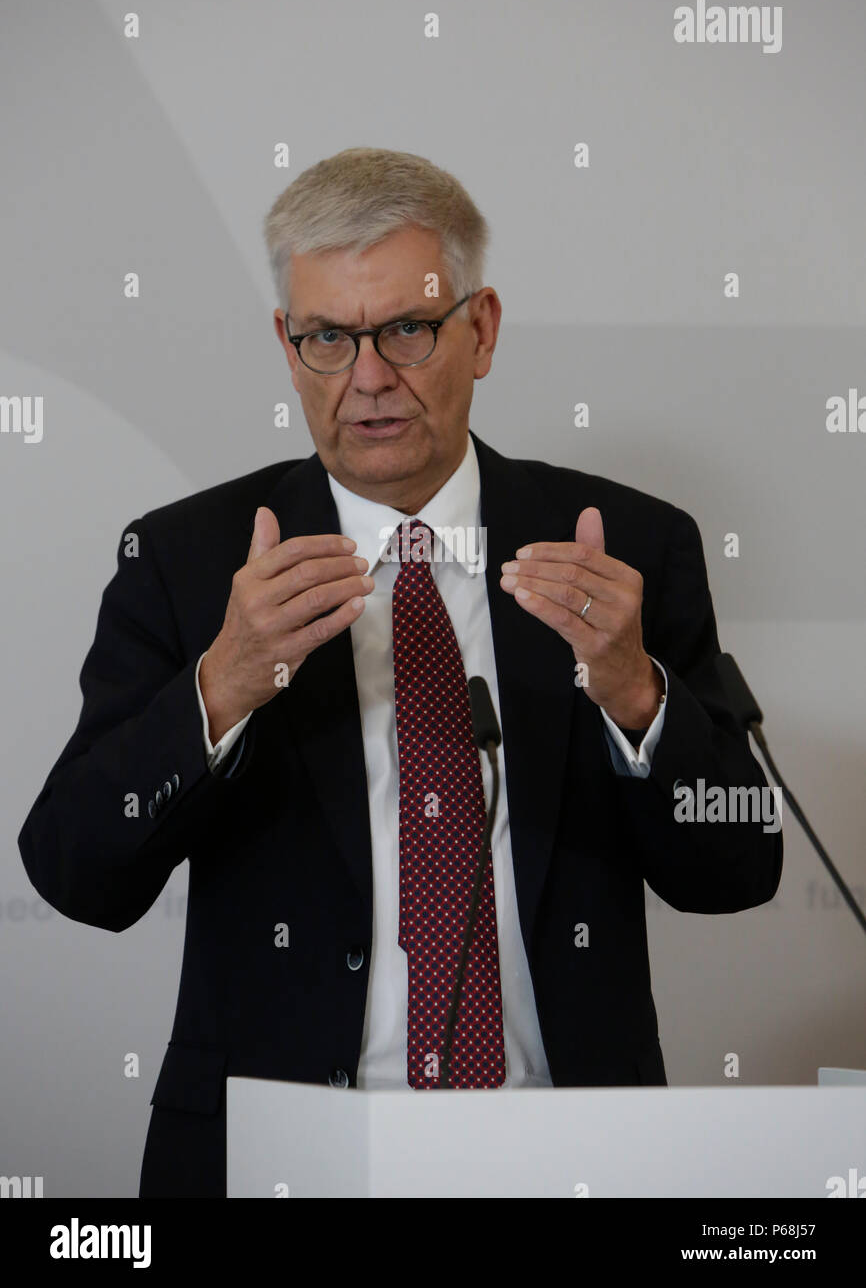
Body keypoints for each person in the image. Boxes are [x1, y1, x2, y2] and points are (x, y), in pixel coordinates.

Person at [18, 147, 782, 1198]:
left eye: (406, 330)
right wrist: (222, 686)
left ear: (481, 330)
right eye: (327, 336)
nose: (366, 377)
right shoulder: (190, 564)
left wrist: (637, 697)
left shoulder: (623, 549)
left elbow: (738, 866)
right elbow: (74, 870)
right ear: (287, 348)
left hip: (567, 1162)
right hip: (279, 1156)